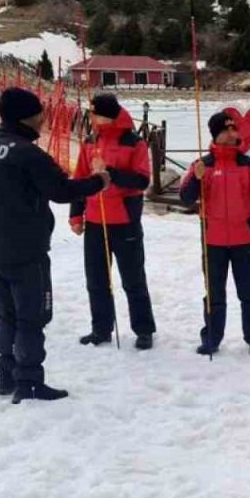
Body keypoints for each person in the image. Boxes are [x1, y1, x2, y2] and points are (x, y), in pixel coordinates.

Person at [0, 87, 110, 403]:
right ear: (26, 117)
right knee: (32, 318)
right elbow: (61, 191)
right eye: (39, 114)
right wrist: (99, 180)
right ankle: (29, 382)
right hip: (26, 252)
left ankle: (6, 376)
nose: (44, 119)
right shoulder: (27, 153)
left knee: (7, 316)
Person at [179, 111, 250, 355]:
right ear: (216, 134)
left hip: (244, 240)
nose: (233, 133)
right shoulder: (203, 165)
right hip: (213, 241)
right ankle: (211, 338)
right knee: (214, 294)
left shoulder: (249, 165)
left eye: (234, 129)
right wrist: (196, 179)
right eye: (227, 130)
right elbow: (186, 199)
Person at [70, 93, 156, 350]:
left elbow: (142, 181)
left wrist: (111, 174)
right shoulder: (89, 141)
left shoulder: (134, 142)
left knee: (133, 278)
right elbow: (80, 181)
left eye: (95, 112)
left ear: (108, 114)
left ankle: (144, 330)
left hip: (125, 219)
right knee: (96, 279)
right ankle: (101, 329)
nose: (92, 116)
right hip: (96, 219)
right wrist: (76, 214)